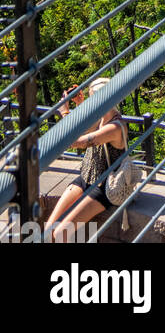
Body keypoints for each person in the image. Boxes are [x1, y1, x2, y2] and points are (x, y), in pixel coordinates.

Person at [45, 78, 128, 242]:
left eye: (92, 99)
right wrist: (79, 104)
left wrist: (64, 112)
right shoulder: (100, 118)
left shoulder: (115, 127)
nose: (91, 103)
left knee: (61, 233)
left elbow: (78, 142)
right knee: (49, 229)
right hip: (86, 178)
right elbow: (82, 129)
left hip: (104, 187)